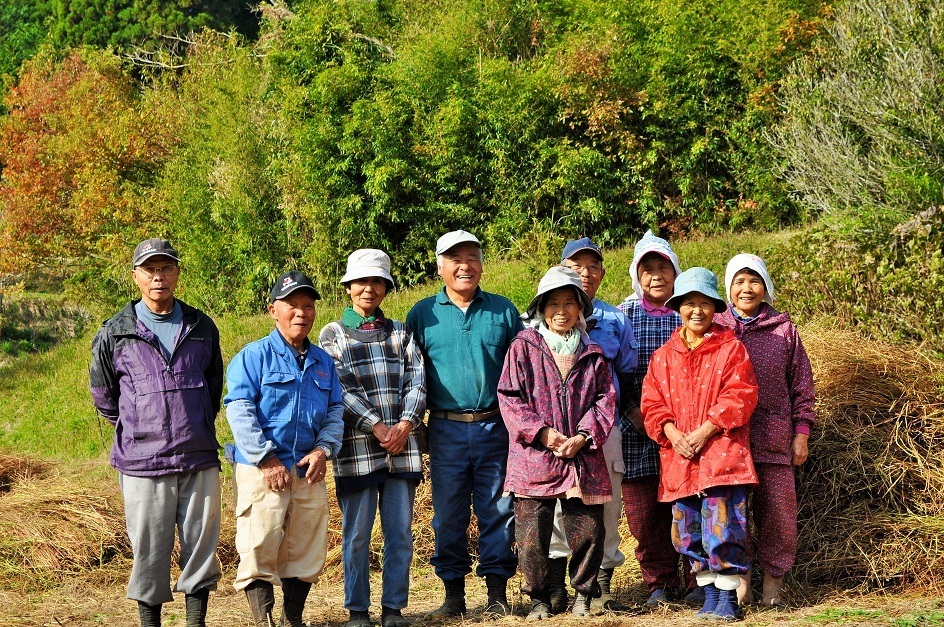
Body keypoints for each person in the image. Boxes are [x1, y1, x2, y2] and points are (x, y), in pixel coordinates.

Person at [90, 238, 223, 627]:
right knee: (149, 551)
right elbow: (104, 397)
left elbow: (212, 387)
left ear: (177, 273)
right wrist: (139, 428)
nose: (158, 277)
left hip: (198, 456)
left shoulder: (201, 326)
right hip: (142, 463)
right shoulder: (115, 332)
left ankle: (195, 622)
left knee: (201, 547)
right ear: (136, 277)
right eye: (149, 270)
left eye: (165, 268)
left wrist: (192, 420)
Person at [405, 230, 522, 618]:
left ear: (482, 263)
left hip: (495, 428)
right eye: (454, 259)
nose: (464, 265)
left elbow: (524, 370)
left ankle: (497, 595)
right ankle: (453, 596)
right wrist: (415, 425)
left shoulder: (503, 311)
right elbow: (410, 375)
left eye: (471, 257)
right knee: (448, 515)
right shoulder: (423, 314)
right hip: (444, 429)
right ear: (439, 266)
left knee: (498, 511)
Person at [224, 271, 344, 627]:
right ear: (273, 310)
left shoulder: (323, 362)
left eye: (308, 306)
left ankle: (294, 619)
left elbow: (335, 410)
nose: (301, 313)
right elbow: (239, 407)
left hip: (308, 468)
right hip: (261, 468)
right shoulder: (254, 356)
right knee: (258, 541)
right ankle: (264, 620)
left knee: (304, 547)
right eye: (292, 305)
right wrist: (266, 458)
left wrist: (324, 449)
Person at [498, 266, 616, 620]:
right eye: (553, 303)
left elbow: (605, 399)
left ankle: (583, 595)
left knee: (589, 529)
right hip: (534, 456)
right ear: (540, 308)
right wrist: (543, 434)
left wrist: (583, 436)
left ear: (581, 308)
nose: (561, 310)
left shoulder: (592, 352)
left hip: (582, 456)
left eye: (570, 302)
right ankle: (539, 598)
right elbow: (509, 396)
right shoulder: (524, 347)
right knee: (532, 534)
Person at [641, 267, 759, 621]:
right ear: (678, 307)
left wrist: (706, 430)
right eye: (689, 303)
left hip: (721, 455)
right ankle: (710, 595)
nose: (696, 311)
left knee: (725, 526)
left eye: (704, 304)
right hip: (679, 459)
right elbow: (651, 402)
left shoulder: (731, 348)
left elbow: (741, 394)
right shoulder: (664, 356)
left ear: (714, 308)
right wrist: (673, 433)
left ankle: (728, 601)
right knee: (688, 529)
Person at [318, 249, 427, 627]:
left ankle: (394, 608)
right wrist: (378, 427)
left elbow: (418, 382)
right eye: (361, 281)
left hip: (402, 449)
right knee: (357, 537)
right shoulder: (331, 333)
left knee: (400, 534)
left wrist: (406, 425)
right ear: (348, 287)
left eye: (377, 281)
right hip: (357, 450)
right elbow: (340, 387)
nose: (369, 288)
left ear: (386, 288)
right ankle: (358, 610)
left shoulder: (401, 332)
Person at [716, 254, 815, 606]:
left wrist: (800, 434)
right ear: (728, 287)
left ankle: (774, 582)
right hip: (728, 442)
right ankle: (741, 582)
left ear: (766, 286)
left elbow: (802, 385)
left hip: (775, 438)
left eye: (754, 280)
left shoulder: (784, 329)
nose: (747, 288)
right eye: (739, 281)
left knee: (779, 515)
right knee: (733, 513)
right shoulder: (716, 326)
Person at [546, 238, 638, 613]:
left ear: (602, 273)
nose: (585, 273)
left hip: (602, 431)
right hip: (553, 437)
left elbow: (627, 375)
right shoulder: (538, 318)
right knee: (554, 510)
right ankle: (554, 590)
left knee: (606, 506)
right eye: (576, 265)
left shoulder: (615, 319)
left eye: (593, 266)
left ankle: (599, 589)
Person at [617, 230, 691, 605]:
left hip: (687, 430)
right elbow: (615, 371)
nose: (657, 275)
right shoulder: (623, 314)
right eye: (648, 269)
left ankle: (697, 581)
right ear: (637, 274)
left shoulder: (691, 311)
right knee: (644, 514)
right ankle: (660, 584)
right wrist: (635, 413)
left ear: (676, 271)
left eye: (664, 267)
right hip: (635, 427)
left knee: (689, 504)